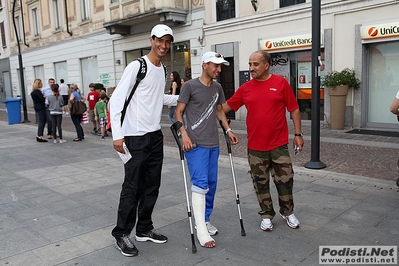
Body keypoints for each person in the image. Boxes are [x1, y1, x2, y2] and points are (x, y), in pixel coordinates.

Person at [109, 24, 178, 257]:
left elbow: (159, 97)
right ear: (151, 40)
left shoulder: (163, 70)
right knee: (132, 187)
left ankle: (144, 229)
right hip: (134, 137)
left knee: (152, 186)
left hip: (154, 136)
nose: (164, 46)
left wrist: (185, 97)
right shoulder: (137, 66)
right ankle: (121, 234)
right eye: (160, 40)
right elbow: (116, 100)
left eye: (168, 42)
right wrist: (117, 135)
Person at [222, 50, 304, 232]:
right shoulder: (245, 88)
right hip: (255, 147)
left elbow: (294, 109)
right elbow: (225, 108)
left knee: (285, 180)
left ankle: (287, 212)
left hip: (279, 145)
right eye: (250, 64)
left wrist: (298, 134)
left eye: (255, 64)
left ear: (266, 65)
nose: (251, 68)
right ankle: (266, 214)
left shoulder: (280, 83)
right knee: (260, 182)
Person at [174, 51, 239, 248]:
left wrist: (228, 130)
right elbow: (178, 112)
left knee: (211, 183)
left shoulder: (217, 87)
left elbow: (219, 110)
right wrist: (184, 134)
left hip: (213, 143)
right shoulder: (189, 86)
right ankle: (201, 229)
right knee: (200, 184)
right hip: (194, 144)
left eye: (220, 66)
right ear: (204, 65)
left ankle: (205, 218)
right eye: (215, 65)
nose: (219, 69)